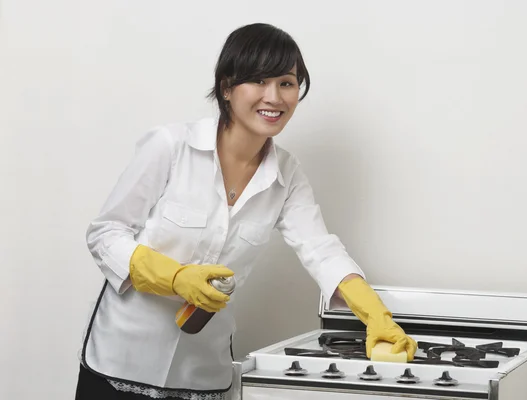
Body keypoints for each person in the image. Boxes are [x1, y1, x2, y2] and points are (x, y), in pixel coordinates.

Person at [75, 22, 417, 400]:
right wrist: (172, 277)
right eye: (258, 81)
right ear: (226, 88)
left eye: (287, 83)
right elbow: (105, 233)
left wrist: (375, 314)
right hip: (121, 360)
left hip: (202, 371)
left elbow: (322, 250)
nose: (274, 97)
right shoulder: (171, 146)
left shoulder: (288, 175)